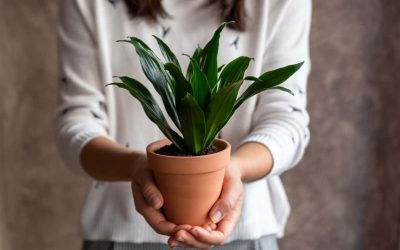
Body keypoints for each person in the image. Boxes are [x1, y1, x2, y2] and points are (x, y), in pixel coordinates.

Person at [55, 0, 311, 249]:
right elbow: (77, 118)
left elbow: (286, 117)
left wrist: (236, 168)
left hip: (242, 233)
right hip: (119, 234)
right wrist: (133, 165)